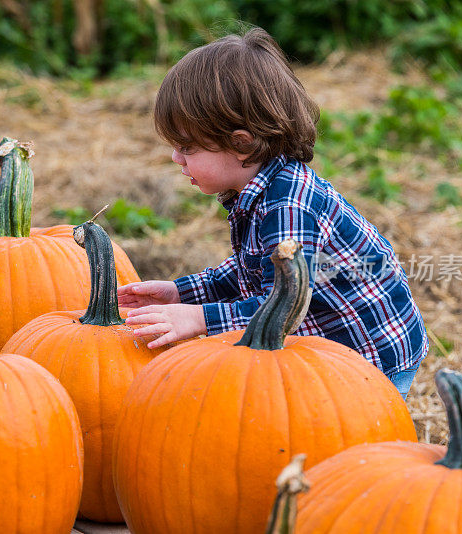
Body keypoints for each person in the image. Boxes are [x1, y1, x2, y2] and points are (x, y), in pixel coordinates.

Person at [119, 27, 428, 398]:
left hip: (370, 355)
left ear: (240, 144)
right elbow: (250, 269)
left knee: (346, 445)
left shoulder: (288, 205)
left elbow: (283, 306)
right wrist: (180, 293)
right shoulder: (256, 190)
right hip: (329, 345)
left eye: (187, 147)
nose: (175, 158)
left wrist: (199, 319)